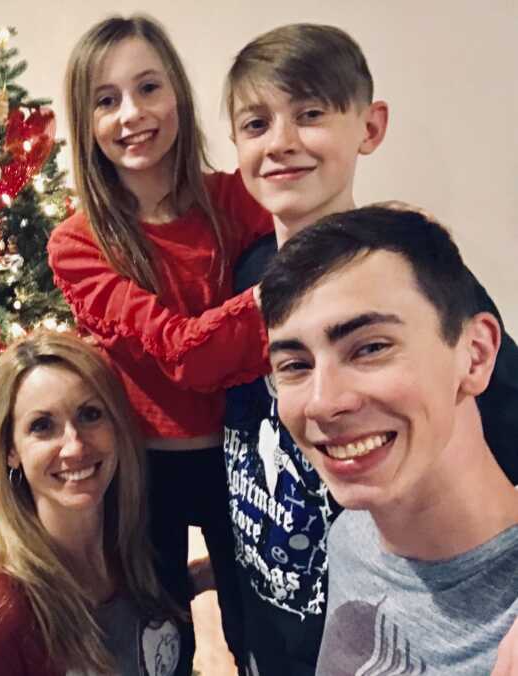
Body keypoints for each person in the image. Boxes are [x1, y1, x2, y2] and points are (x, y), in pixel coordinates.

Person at [219, 23, 518, 674]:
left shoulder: (430, 288)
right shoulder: (243, 276)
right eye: (257, 123)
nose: (283, 142)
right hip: (283, 635)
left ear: (370, 127)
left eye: (311, 114)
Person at [48, 15, 275, 671]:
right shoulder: (78, 243)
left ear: (176, 92)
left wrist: (389, 224)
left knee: (256, 632)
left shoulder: (234, 198)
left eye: (148, 88)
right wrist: (268, 298)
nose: (131, 114)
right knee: (157, 648)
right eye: (106, 99)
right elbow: (185, 352)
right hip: (143, 473)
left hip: (244, 460)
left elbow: (323, 233)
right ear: (87, 121)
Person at [259, 206, 518, 675]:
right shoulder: (351, 535)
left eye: (371, 347)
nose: (321, 403)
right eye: (295, 365)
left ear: (475, 356)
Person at [0, 331, 182, 676]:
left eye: (90, 414)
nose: (74, 446)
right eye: (42, 426)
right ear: (10, 451)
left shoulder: (135, 544)